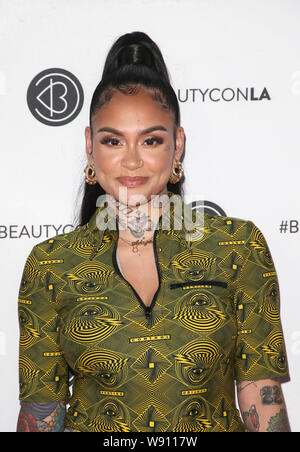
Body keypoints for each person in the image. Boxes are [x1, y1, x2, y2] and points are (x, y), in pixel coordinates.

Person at [17, 31, 291, 433]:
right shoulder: (50, 265)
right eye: (113, 140)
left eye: (151, 140)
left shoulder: (237, 247)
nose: (131, 160)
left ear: (176, 146)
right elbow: (40, 414)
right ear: (91, 148)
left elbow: (262, 401)